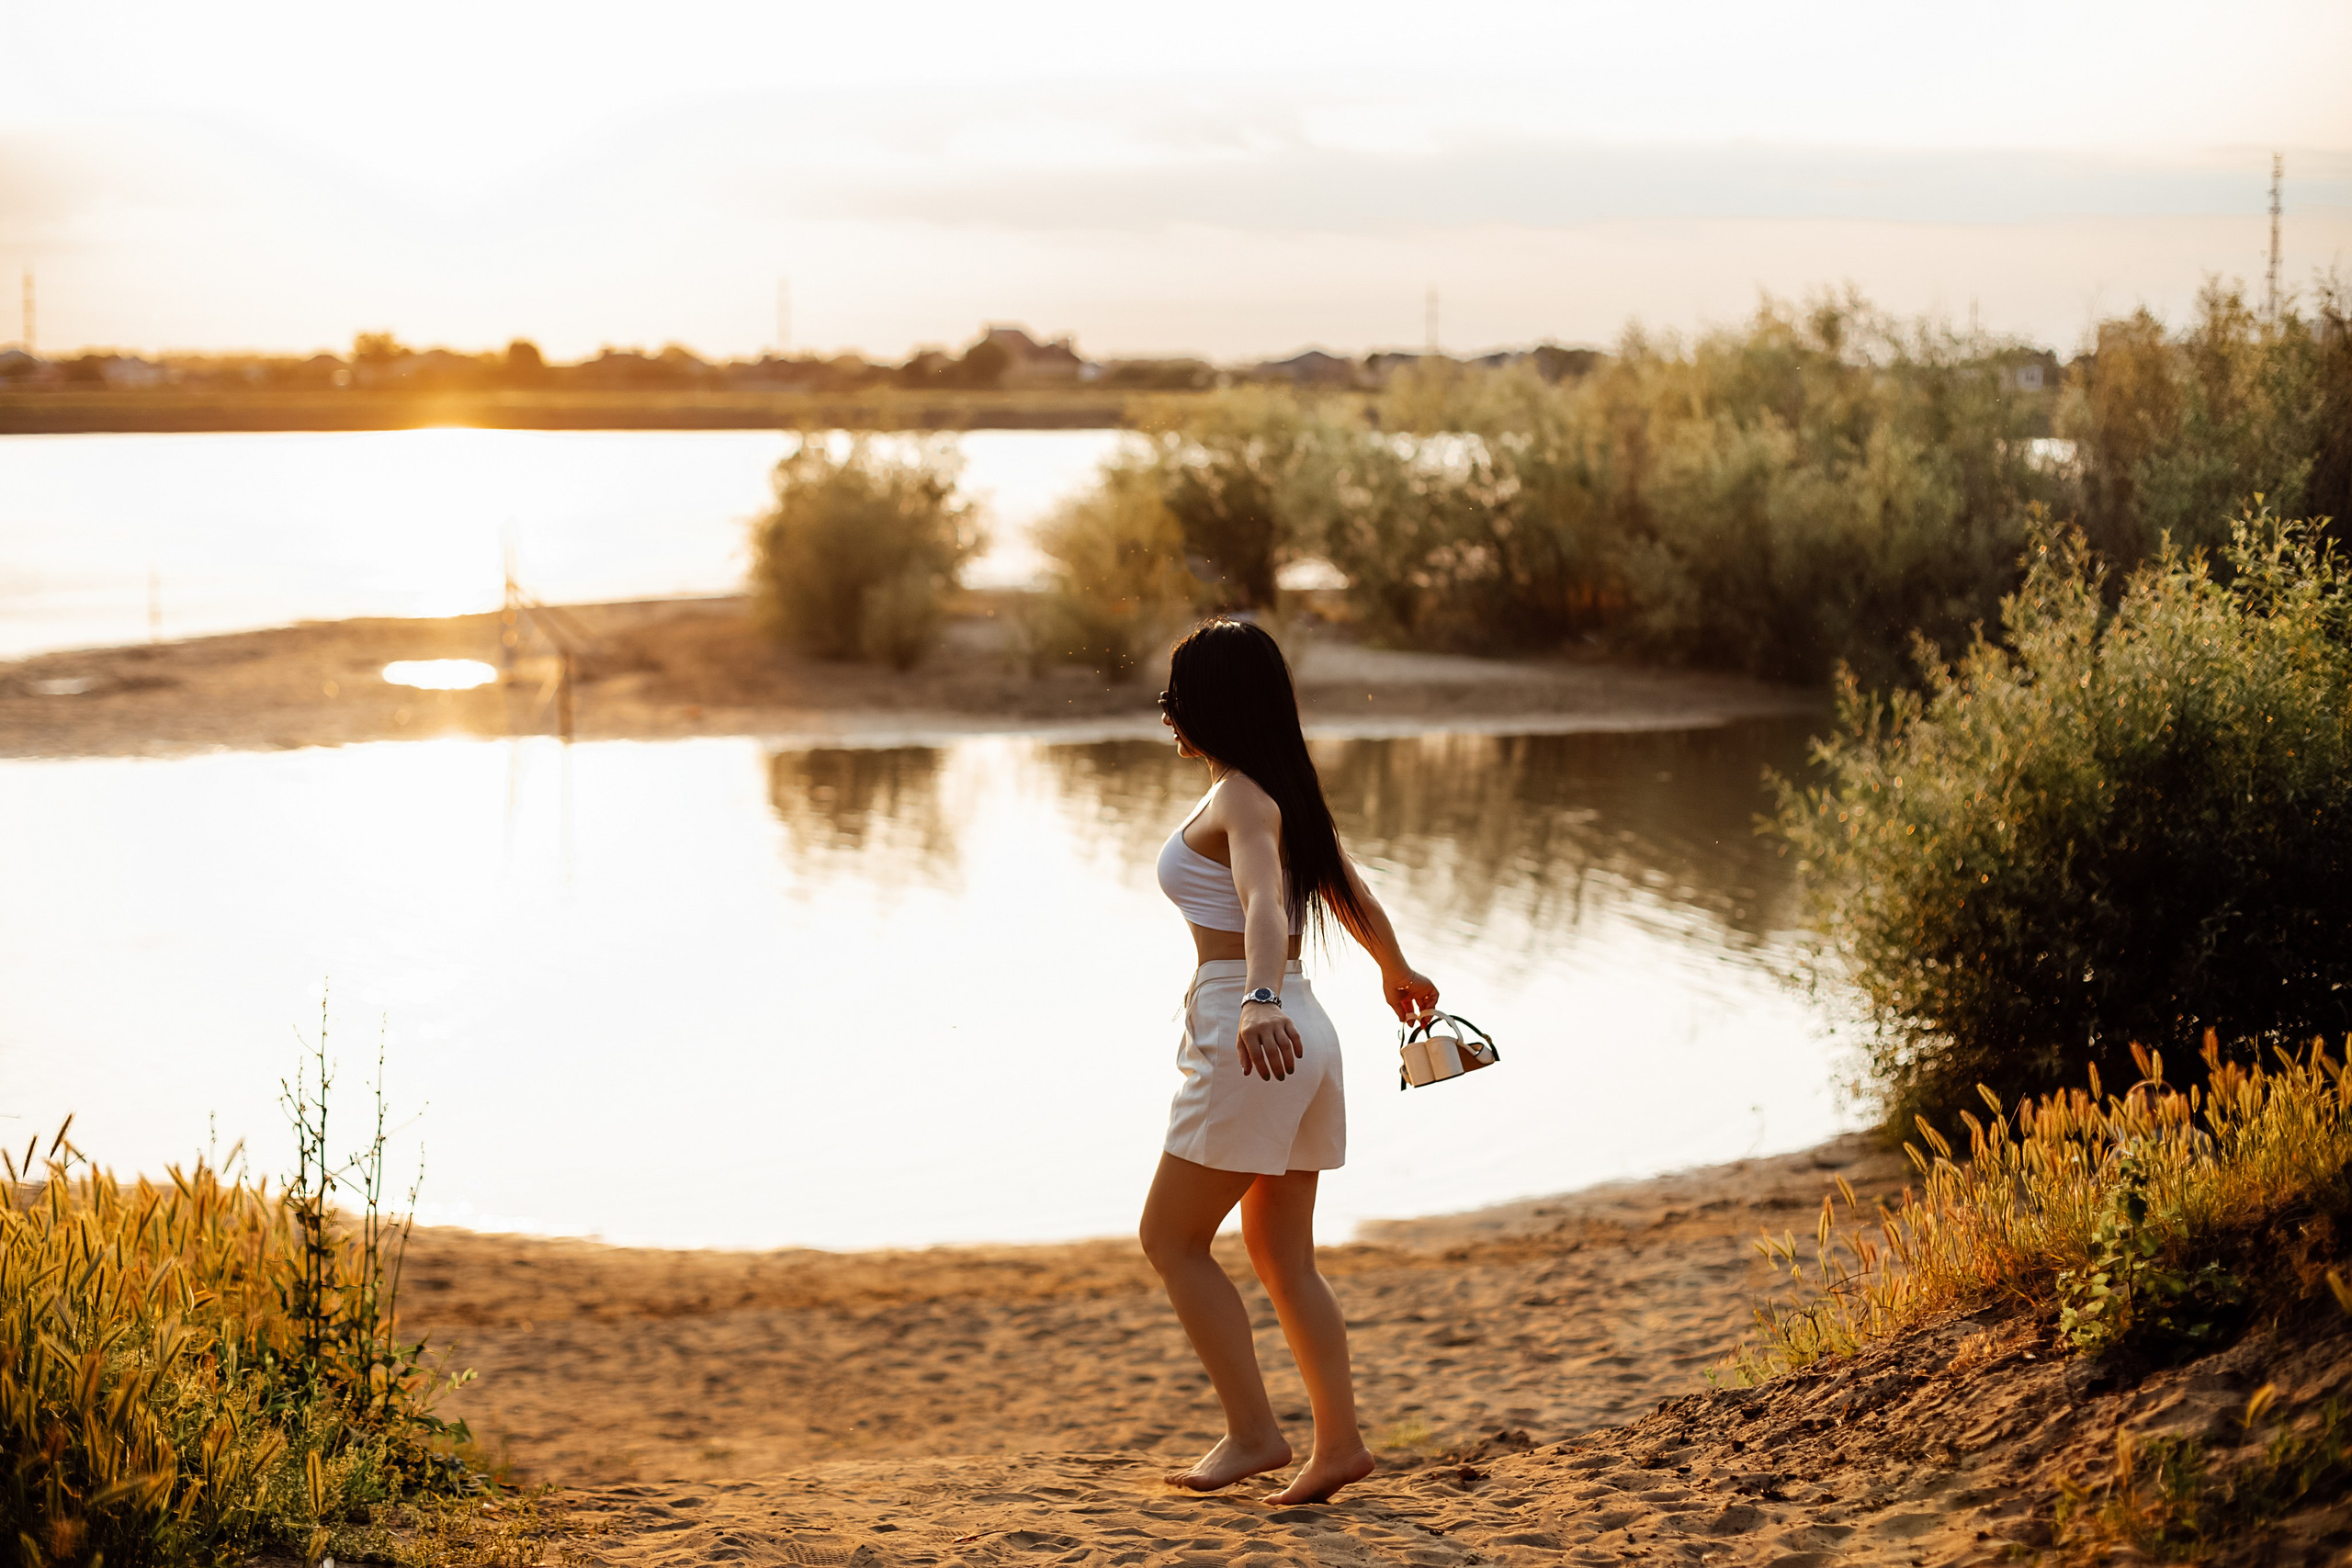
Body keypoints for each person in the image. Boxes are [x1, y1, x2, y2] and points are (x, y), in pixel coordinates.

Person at [1140, 617, 1440, 1505]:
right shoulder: (1280, 791)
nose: (1167, 713)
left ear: (1212, 704)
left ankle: (1253, 1433)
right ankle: (1338, 1445)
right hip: (1306, 1030)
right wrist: (1394, 967)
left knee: (1170, 1238)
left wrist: (1258, 997)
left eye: (1176, 697)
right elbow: (1349, 889)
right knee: (1282, 1255)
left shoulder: (1240, 798)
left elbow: (1266, 902)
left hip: (1258, 1032)